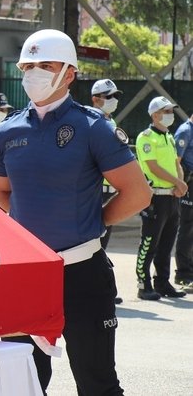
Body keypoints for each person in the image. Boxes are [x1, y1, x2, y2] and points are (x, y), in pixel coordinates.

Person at [0, 28, 151, 395]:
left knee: (97, 383)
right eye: (28, 65)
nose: (34, 73)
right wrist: (29, 229)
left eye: (45, 65)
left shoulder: (93, 127)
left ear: (70, 73)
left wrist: (95, 220)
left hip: (82, 274)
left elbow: (138, 193)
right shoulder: (6, 132)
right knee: (23, 383)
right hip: (26, 276)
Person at [134, 96, 188, 300]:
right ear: (154, 115)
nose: (170, 115)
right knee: (149, 242)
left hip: (172, 197)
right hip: (155, 197)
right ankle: (143, 284)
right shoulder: (146, 137)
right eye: (166, 111)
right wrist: (178, 182)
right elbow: (152, 166)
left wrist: (180, 182)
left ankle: (162, 282)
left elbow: (176, 163)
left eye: (170, 111)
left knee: (167, 243)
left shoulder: (170, 137)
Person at [90, 79, 126, 304]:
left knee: (102, 244)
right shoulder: (91, 122)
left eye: (115, 96)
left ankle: (101, 289)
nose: (114, 101)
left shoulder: (109, 121)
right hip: (96, 191)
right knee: (93, 244)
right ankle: (96, 291)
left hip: (109, 190)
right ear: (96, 99)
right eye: (109, 96)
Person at [174, 112, 193, 292]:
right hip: (188, 183)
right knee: (186, 228)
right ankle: (183, 274)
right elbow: (176, 161)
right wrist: (180, 184)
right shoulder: (185, 131)